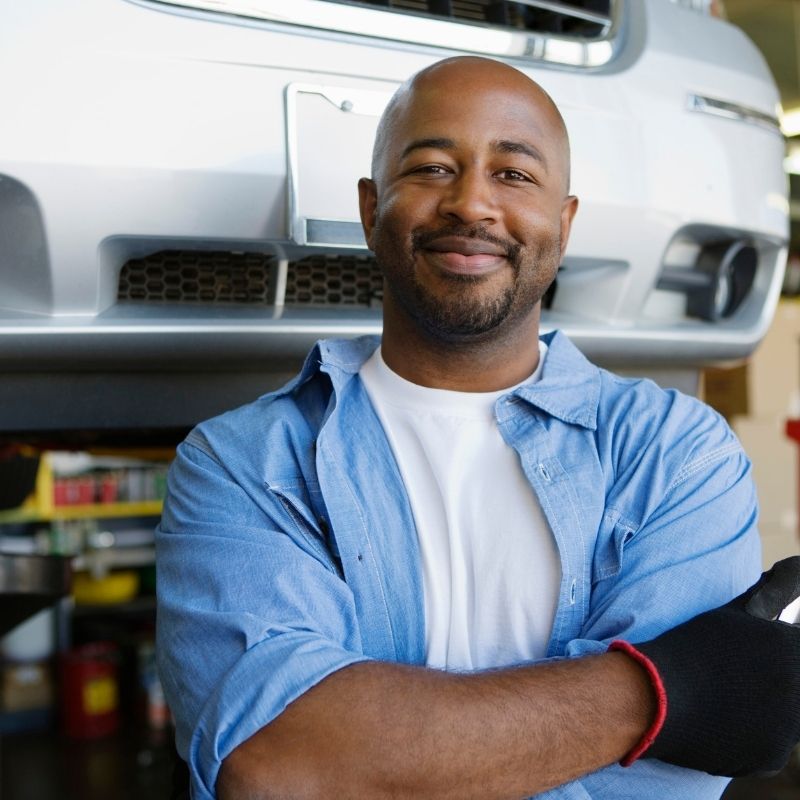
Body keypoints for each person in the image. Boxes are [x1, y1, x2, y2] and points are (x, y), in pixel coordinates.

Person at [156, 56, 800, 800]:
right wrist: (658, 694)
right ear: (372, 210)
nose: (471, 204)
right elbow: (278, 765)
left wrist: (373, 755)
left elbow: (661, 789)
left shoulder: (676, 453)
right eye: (432, 167)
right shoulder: (242, 462)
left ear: (562, 223)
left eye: (514, 175)